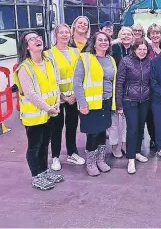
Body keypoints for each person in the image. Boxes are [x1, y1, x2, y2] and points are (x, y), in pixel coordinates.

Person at [14, 31, 64, 190]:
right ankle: (36, 176)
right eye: (32, 39)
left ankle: (44, 171)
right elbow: (30, 94)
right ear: (26, 46)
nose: (37, 40)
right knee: (35, 146)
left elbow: (56, 84)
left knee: (44, 144)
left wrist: (56, 103)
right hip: (35, 115)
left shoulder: (49, 61)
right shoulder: (25, 67)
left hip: (49, 113)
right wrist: (48, 108)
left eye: (38, 37)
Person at [73, 32, 116, 177]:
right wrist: (82, 104)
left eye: (106, 40)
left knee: (103, 131)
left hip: (106, 101)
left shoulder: (111, 59)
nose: (103, 42)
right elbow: (77, 83)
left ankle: (101, 159)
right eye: (100, 40)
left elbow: (112, 81)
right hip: (91, 104)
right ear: (94, 42)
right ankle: (90, 163)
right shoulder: (85, 58)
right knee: (92, 133)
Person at [45, 24, 85, 171]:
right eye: (61, 32)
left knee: (72, 126)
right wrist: (61, 96)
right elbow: (48, 78)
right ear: (55, 35)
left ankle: (72, 152)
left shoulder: (76, 52)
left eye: (67, 32)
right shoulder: (49, 54)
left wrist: (74, 94)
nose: (64, 35)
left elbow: (79, 74)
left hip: (73, 96)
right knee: (56, 127)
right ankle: (55, 156)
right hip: (57, 98)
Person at [115, 38, 152, 174]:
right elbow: (119, 83)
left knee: (141, 128)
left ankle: (136, 152)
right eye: (139, 49)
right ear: (134, 49)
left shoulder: (149, 61)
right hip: (129, 99)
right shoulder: (126, 61)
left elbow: (151, 81)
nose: (142, 52)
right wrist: (119, 105)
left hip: (145, 100)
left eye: (144, 49)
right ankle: (131, 159)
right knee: (132, 128)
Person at [109, 27, 134, 157]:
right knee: (113, 118)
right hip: (114, 86)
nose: (126, 36)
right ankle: (114, 145)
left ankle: (125, 143)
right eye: (123, 34)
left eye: (129, 34)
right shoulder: (114, 48)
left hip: (129, 88)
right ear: (119, 36)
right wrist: (113, 42)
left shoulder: (135, 49)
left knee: (127, 118)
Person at [145, 23, 161, 150]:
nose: (155, 35)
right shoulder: (146, 49)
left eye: (158, 33)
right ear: (149, 35)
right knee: (150, 115)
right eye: (153, 33)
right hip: (149, 87)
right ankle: (153, 138)